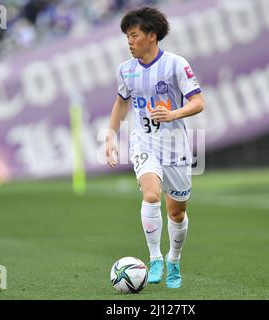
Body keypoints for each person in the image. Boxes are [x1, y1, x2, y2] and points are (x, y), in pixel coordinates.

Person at [104, 6, 204, 288]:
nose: (130, 42)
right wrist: (111, 135)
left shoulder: (175, 64)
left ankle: (174, 260)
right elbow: (121, 102)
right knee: (151, 195)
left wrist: (173, 114)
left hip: (175, 145)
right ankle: (155, 258)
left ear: (151, 35)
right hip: (144, 142)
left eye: (134, 35)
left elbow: (198, 101)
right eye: (127, 37)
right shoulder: (126, 70)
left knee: (177, 212)